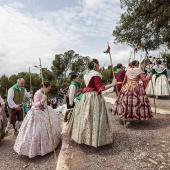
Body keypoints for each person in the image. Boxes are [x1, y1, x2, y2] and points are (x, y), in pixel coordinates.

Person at [68, 58, 117, 147]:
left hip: (86, 97)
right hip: (94, 97)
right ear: (95, 65)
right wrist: (112, 84)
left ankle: (84, 137)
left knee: (86, 116)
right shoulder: (96, 74)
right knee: (95, 116)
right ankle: (94, 139)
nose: (99, 66)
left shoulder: (86, 74)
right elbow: (100, 88)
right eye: (98, 64)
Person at [14, 81, 61, 158]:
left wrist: (46, 101)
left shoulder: (43, 92)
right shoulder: (38, 93)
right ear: (44, 87)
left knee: (48, 126)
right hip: (36, 113)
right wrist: (42, 100)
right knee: (36, 131)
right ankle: (35, 150)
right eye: (48, 89)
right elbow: (35, 105)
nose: (49, 90)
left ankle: (48, 146)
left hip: (43, 110)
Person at [112, 60, 153, 126]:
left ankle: (127, 119)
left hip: (127, 87)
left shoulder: (128, 70)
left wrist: (122, 90)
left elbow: (124, 81)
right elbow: (144, 80)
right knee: (138, 102)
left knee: (127, 103)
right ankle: (139, 116)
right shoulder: (138, 70)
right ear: (137, 64)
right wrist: (149, 77)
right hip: (136, 87)